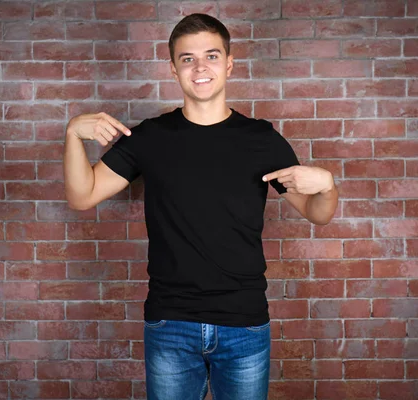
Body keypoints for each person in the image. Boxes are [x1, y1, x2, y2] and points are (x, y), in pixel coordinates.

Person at [63, 13, 338, 400]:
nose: (200, 67)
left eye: (211, 55)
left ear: (229, 63)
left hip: (243, 324)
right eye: (187, 58)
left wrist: (327, 184)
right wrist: (74, 133)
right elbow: (82, 194)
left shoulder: (260, 139)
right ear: (173, 69)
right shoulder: (150, 138)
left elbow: (318, 213)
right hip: (170, 323)